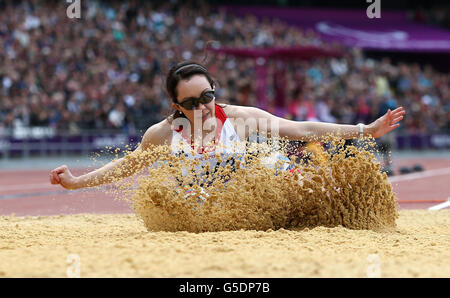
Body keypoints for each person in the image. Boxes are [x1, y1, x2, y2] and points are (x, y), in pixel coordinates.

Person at [50, 61, 406, 190]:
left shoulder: (239, 117)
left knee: (306, 179)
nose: (203, 106)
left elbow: (300, 130)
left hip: (268, 183)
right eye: (191, 103)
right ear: (176, 106)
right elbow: (129, 164)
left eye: (207, 96)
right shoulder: (161, 135)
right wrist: (77, 182)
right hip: (209, 201)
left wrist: (366, 131)